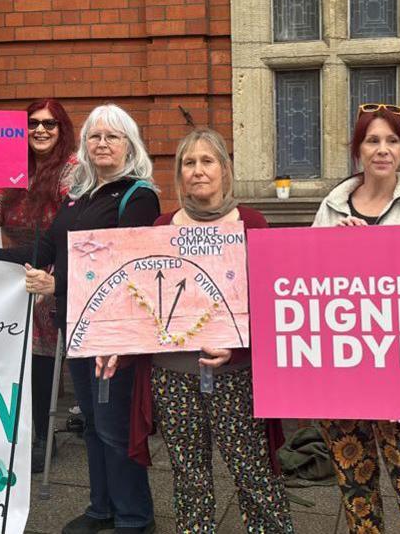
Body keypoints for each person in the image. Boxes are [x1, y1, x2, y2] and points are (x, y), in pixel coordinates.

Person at [0, 104, 160, 534]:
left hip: (114, 333)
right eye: (95, 136)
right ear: (85, 145)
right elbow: (49, 251)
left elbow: (127, 268)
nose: (102, 143)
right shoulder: (81, 195)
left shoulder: (138, 196)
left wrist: (59, 286)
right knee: (92, 422)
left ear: (130, 144)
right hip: (77, 323)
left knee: (114, 426)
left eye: (113, 136)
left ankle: (133, 516)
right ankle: (101, 507)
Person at [99, 128, 294, 533]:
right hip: (174, 377)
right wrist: (118, 344)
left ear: (224, 169)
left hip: (235, 377)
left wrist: (239, 350)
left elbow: (272, 304)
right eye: (189, 163)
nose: (198, 171)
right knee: (189, 476)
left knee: (253, 474)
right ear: (179, 174)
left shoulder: (251, 224)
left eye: (207, 161)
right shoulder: (162, 225)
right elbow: (144, 302)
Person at [313, 104, 400, 533]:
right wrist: (338, 251)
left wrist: (376, 252)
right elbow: (310, 281)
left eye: (392, 141)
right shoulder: (331, 208)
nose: (382, 150)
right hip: (345, 366)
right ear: (359, 150)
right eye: (373, 140)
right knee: (356, 489)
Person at [0, 98, 78, 473]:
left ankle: (44, 434)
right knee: (8, 346)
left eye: (50, 124)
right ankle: (15, 429)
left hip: (53, 263)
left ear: (62, 130)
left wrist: (53, 277)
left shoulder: (71, 171)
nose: (40, 130)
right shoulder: (10, 165)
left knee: (42, 343)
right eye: (33, 124)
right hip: (13, 262)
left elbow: (66, 234)